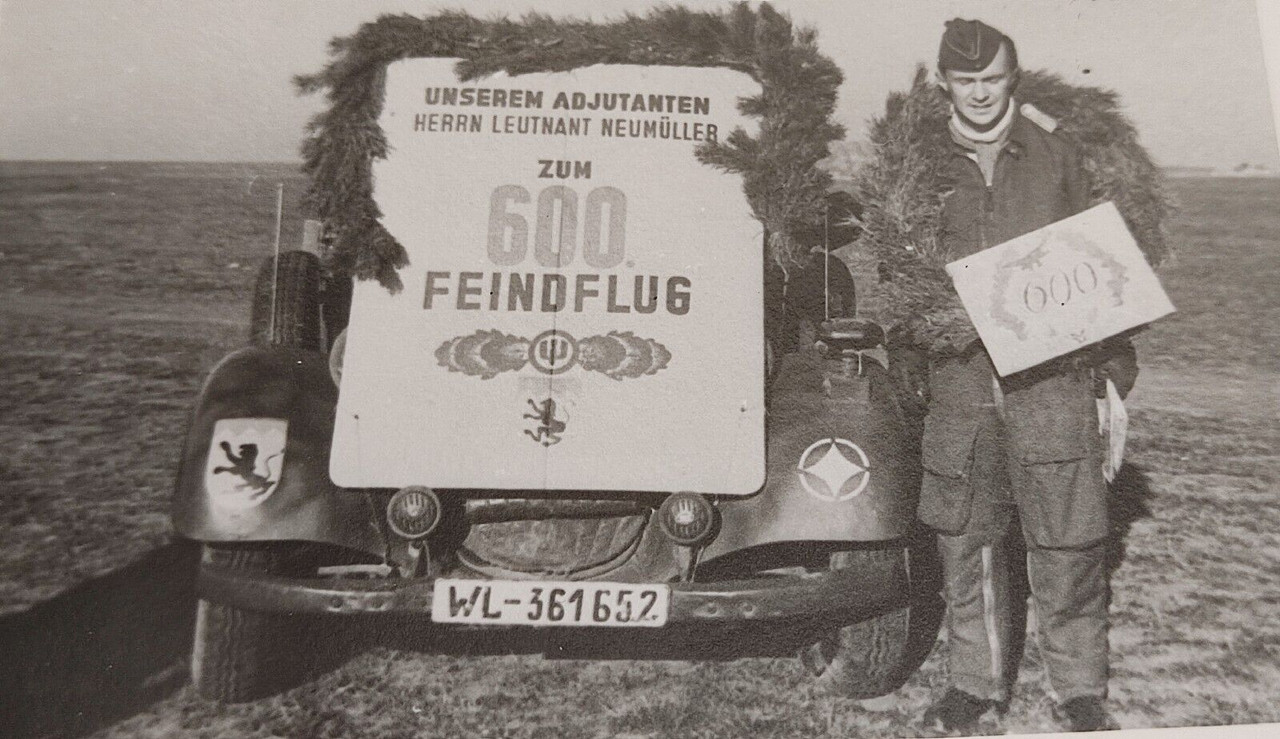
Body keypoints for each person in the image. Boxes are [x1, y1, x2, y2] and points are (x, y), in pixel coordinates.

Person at [907, 19, 1138, 733]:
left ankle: (1078, 688)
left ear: (1015, 76)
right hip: (962, 383)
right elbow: (900, 273)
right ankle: (974, 684)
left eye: (994, 78)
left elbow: (1106, 260)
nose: (980, 93)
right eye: (965, 80)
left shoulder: (1058, 155)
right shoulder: (915, 164)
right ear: (944, 80)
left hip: (1052, 380)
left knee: (1068, 541)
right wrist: (913, 363)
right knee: (966, 542)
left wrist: (1110, 369)